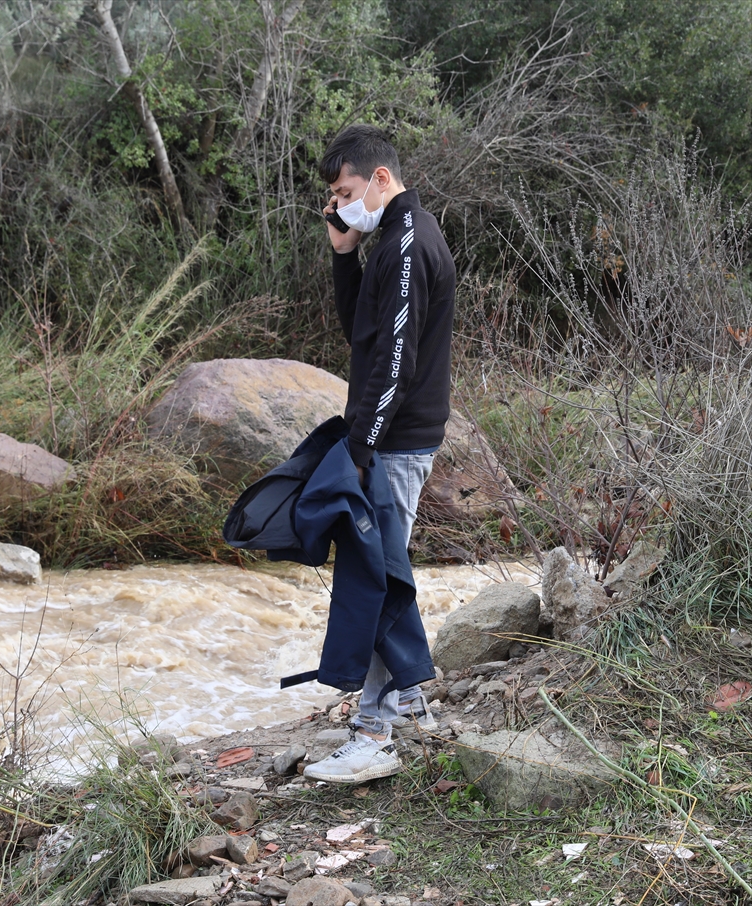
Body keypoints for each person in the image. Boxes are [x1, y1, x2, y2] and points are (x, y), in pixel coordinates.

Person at [303, 124, 456, 785]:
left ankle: (373, 732)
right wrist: (344, 252)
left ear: (381, 179)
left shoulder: (410, 243)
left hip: (394, 440)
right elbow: (360, 335)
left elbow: (396, 360)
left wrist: (361, 446)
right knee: (384, 567)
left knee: (371, 579)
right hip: (392, 436)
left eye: (346, 192)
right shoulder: (390, 238)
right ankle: (407, 697)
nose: (340, 204)